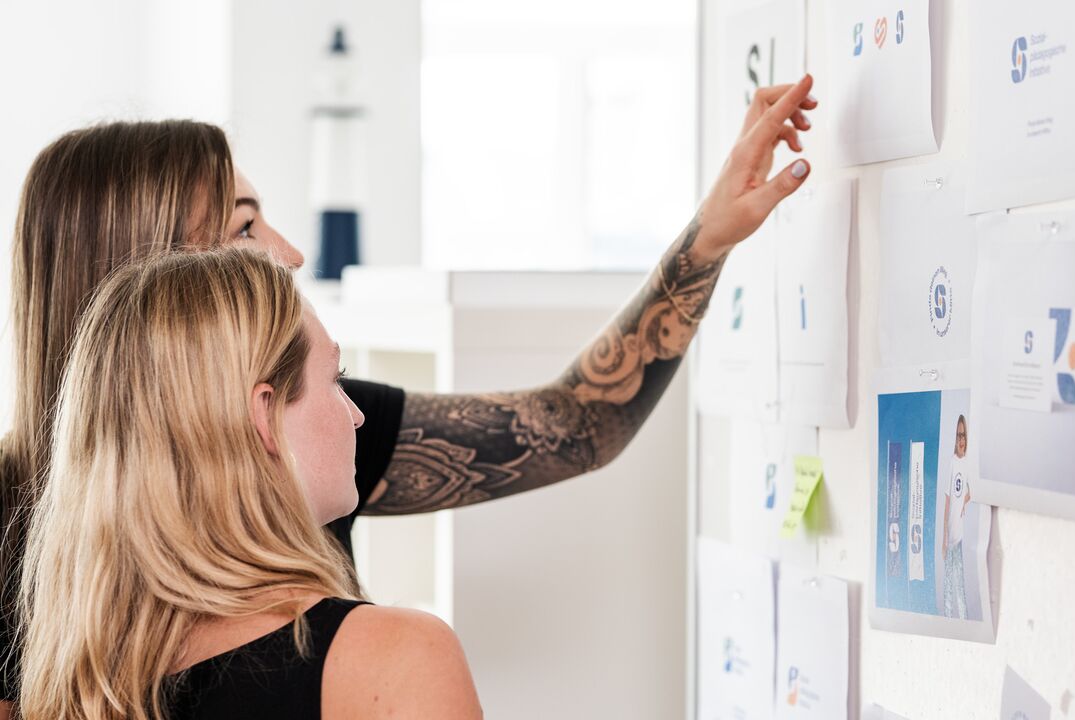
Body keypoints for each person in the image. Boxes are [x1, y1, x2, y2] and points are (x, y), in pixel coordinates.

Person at [0, 76, 818, 714]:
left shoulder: (323, 428)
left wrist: (709, 236)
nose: (288, 255)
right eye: (244, 229)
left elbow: (575, 425)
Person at [20, 247, 483, 719]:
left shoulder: (73, 685)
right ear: (266, 414)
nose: (358, 415)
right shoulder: (394, 661)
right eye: (336, 379)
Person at [941, 413, 971, 619]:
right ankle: (948, 619)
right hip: (950, 534)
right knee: (948, 582)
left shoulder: (968, 464)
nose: (961, 440)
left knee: (959, 581)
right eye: (959, 435)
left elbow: (972, 491)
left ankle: (963, 621)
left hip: (959, 536)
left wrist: (964, 503)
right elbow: (947, 501)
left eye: (964, 435)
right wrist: (944, 539)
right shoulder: (952, 463)